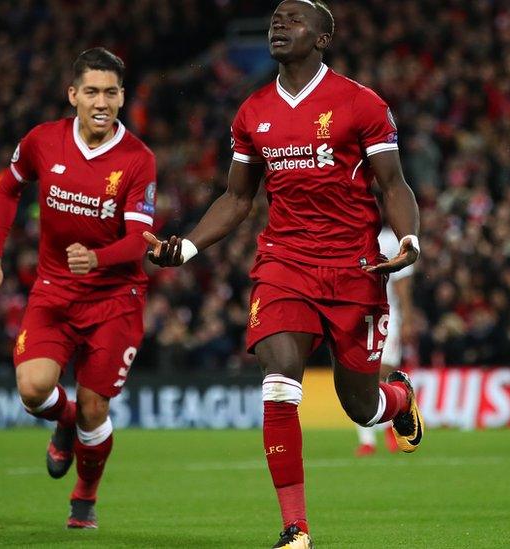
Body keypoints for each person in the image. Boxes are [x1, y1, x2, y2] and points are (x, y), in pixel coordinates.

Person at [144, 2, 424, 546]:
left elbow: (393, 185)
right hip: (284, 264)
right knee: (278, 383)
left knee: (362, 408)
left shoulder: (360, 104)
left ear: (323, 38)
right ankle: (295, 528)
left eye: (294, 20)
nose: (279, 24)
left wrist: (410, 239)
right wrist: (187, 248)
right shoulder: (253, 112)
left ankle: (399, 400)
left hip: (353, 268)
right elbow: (237, 196)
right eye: (276, 18)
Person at [0, 47, 157, 529]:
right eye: (92, 91)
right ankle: (64, 417)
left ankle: (85, 496)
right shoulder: (42, 141)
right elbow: (9, 188)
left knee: (97, 409)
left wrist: (98, 257)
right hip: (55, 290)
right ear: (73, 94)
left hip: (116, 299)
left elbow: (140, 239)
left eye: (112, 92)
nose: (102, 101)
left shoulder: (138, 160)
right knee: (34, 389)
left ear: (121, 97)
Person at [355, 226, 415, 457]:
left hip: (387, 316)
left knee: (385, 371)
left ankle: (391, 423)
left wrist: (408, 317)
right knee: (358, 375)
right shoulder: (351, 235)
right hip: (356, 317)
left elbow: (401, 282)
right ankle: (367, 440)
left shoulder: (391, 240)